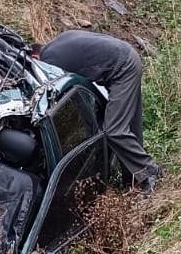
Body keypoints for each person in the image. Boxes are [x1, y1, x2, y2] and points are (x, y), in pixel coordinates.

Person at [34, 30, 162, 193]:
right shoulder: (57, 43)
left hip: (123, 68)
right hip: (126, 57)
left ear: (35, 57)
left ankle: (150, 172)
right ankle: (133, 181)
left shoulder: (49, 61)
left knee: (114, 130)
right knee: (128, 125)